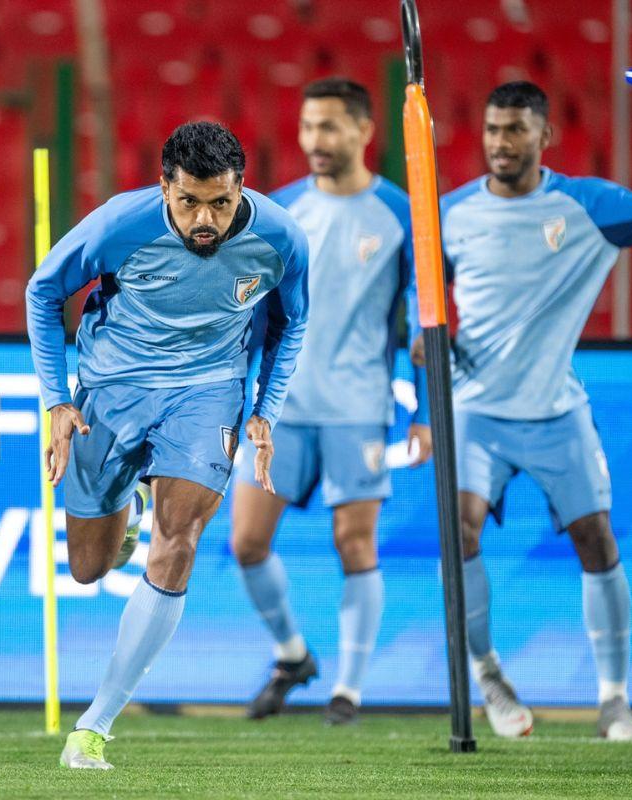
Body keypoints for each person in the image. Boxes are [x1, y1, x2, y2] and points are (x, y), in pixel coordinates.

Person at [26, 121, 309, 769]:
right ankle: (128, 511)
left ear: (242, 190)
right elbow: (42, 291)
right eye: (189, 202)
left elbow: (293, 321)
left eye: (221, 202)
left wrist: (265, 408)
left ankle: (94, 726)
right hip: (112, 391)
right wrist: (56, 401)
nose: (205, 218)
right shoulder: (120, 225)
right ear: (164, 188)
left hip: (208, 393)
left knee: (179, 542)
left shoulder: (281, 237)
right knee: (89, 567)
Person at [426, 80, 632, 741]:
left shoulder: (587, 205)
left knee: (598, 542)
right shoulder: (452, 212)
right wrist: (422, 333)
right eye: (493, 130)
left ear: (544, 136)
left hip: (555, 410)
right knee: (456, 535)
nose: (501, 142)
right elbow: (423, 290)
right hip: (477, 414)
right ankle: (487, 672)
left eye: (516, 129)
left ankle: (614, 703)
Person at [231, 78, 432, 726]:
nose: (315, 140)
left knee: (356, 544)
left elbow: (422, 322)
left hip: (358, 408)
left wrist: (424, 413)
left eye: (330, 126)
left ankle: (348, 689)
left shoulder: (403, 214)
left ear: (365, 130)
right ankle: (293, 655)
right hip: (281, 409)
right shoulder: (282, 212)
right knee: (247, 543)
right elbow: (255, 316)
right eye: (307, 126)